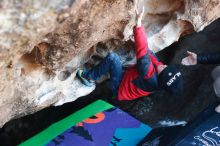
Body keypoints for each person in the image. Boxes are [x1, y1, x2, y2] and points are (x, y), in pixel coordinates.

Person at [77, 7, 183, 101]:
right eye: (167, 66)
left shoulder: (149, 76)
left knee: (113, 58)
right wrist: (135, 40)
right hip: (127, 76)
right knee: (126, 58)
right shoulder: (158, 76)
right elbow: (149, 53)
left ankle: (89, 78)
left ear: (160, 77)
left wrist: (138, 25)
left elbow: (143, 53)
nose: (164, 65)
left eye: (164, 69)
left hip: (118, 87)